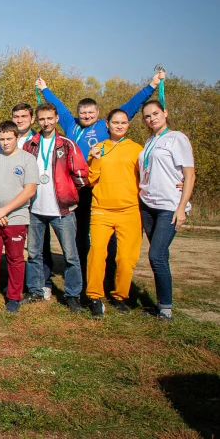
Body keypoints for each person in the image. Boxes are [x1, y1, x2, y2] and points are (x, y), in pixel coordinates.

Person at [36, 69, 165, 283]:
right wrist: (44, 89)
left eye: (90, 113)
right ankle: (86, 274)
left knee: (109, 237)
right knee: (80, 234)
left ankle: (110, 274)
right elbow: (57, 106)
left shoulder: (106, 126)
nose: (86, 116)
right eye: (83, 113)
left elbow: (131, 107)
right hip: (77, 188)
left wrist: (151, 86)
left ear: (98, 114)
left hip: (100, 188)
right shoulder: (71, 124)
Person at [23, 103, 89, 313]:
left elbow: (81, 174)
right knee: (34, 254)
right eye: (42, 119)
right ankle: (35, 290)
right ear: (37, 121)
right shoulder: (30, 144)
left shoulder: (67, 144)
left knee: (70, 255)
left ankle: (72, 295)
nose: (46, 122)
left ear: (57, 118)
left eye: (49, 118)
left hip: (62, 210)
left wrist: (69, 192)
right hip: (35, 209)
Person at [138, 100, 195, 322]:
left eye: (155, 114)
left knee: (156, 255)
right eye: (147, 116)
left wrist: (181, 208)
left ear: (165, 113)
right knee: (160, 255)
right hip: (148, 204)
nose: (151, 118)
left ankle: (166, 309)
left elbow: (189, 174)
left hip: (169, 207)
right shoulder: (150, 141)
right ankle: (161, 303)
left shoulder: (177, 138)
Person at [86, 109, 144, 317]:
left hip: (130, 210)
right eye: (115, 122)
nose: (119, 126)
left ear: (128, 124)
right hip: (101, 210)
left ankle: (120, 296)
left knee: (126, 258)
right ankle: (94, 296)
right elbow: (91, 179)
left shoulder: (137, 149)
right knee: (97, 253)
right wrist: (95, 159)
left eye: (124, 122)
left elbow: (148, 177)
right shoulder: (98, 148)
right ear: (107, 124)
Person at [0, 121, 39, 313]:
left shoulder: (28, 159)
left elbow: (29, 190)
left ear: (17, 137)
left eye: (9, 139)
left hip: (16, 218)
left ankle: (13, 297)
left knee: (15, 259)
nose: (5, 143)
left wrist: (5, 211)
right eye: (2, 139)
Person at [12, 103, 55, 301]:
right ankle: (19, 282)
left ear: (32, 119)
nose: (19, 120)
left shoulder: (38, 140)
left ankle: (44, 282)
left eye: (23, 116)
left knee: (39, 244)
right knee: (17, 244)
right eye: (16, 116)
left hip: (36, 199)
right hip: (13, 200)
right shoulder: (8, 139)